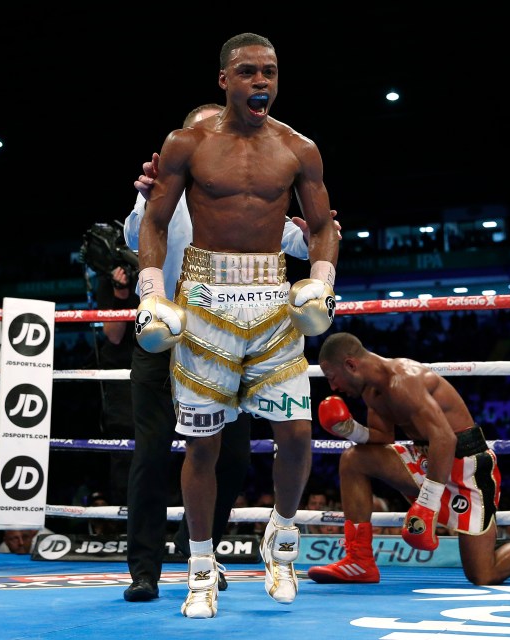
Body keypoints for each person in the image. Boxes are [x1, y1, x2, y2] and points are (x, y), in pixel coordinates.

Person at [135, 33, 339, 618]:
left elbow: (324, 225)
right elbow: (153, 222)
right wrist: (152, 294)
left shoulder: (299, 149)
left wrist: (320, 283)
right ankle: (201, 569)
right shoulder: (187, 144)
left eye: (269, 72)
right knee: (202, 447)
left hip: (274, 298)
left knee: (297, 433)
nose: (261, 82)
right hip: (204, 299)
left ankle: (282, 537)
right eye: (248, 72)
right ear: (224, 80)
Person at [306, 332, 510, 586]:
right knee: (354, 458)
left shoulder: (402, 381)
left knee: (483, 575)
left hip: (467, 466)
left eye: (332, 377)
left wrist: (427, 505)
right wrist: (350, 429)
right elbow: (383, 437)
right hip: (427, 459)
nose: (333, 387)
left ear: (351, 364)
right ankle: (359, 560)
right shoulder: (371, 391)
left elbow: (445, 438)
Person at [95, 265, 138, 507]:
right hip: (125, 377)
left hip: (164, 370)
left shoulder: (170, 268)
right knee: (126, 447)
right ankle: (125, 520)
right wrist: (121, 293)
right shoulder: (111, 278)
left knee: (171, 445)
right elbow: (113, 334)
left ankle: (171, 523)